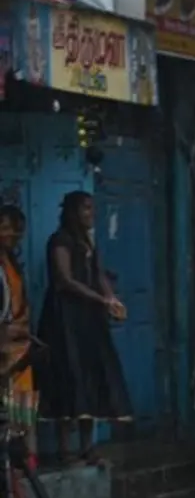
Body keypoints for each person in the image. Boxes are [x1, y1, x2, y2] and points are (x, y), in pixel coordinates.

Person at [37, 191, 132, 467]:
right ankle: (66, 450)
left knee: (93, 375)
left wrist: (111, 299)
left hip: (89, 319)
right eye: (86, 209)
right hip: (64, 320)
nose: (92, 214)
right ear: (72, 212)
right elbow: (64, 281)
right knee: (68, 377)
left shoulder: (87, 241)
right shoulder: (60, 241)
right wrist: (100, 299)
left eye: (92, 208)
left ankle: (88, 448)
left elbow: (98, 274)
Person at [0, 205, 36, 468]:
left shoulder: (11, 263)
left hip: (18, 350)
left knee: (23, 415)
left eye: (16, 230)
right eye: (5, 228)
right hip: (5, 346)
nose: (11, 234)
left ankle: (25, 471)